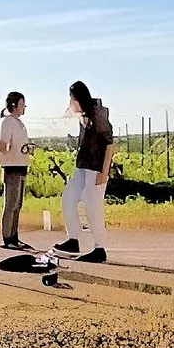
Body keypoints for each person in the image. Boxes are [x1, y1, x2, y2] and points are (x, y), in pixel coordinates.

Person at [54, 80, 112, 263]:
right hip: (82, 167)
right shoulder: (83, 115)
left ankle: (99, 249)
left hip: (96, 168)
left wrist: (104, 172)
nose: (70, 101)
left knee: (92, 206)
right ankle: (73, 240)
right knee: (68, 198)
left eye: (71, 98)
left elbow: (110, 144)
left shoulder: (98, 114)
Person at [0, 92, 32, 249]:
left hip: (21, 165)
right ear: (15, 105)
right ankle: (8, 238)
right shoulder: (7, 122)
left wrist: (26, 149)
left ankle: (14, 236)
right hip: (11, 167)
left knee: (18, 203)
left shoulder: (18, 123)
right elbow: (4, 145)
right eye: (22, 103)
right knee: (11, 203)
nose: (24, 106)